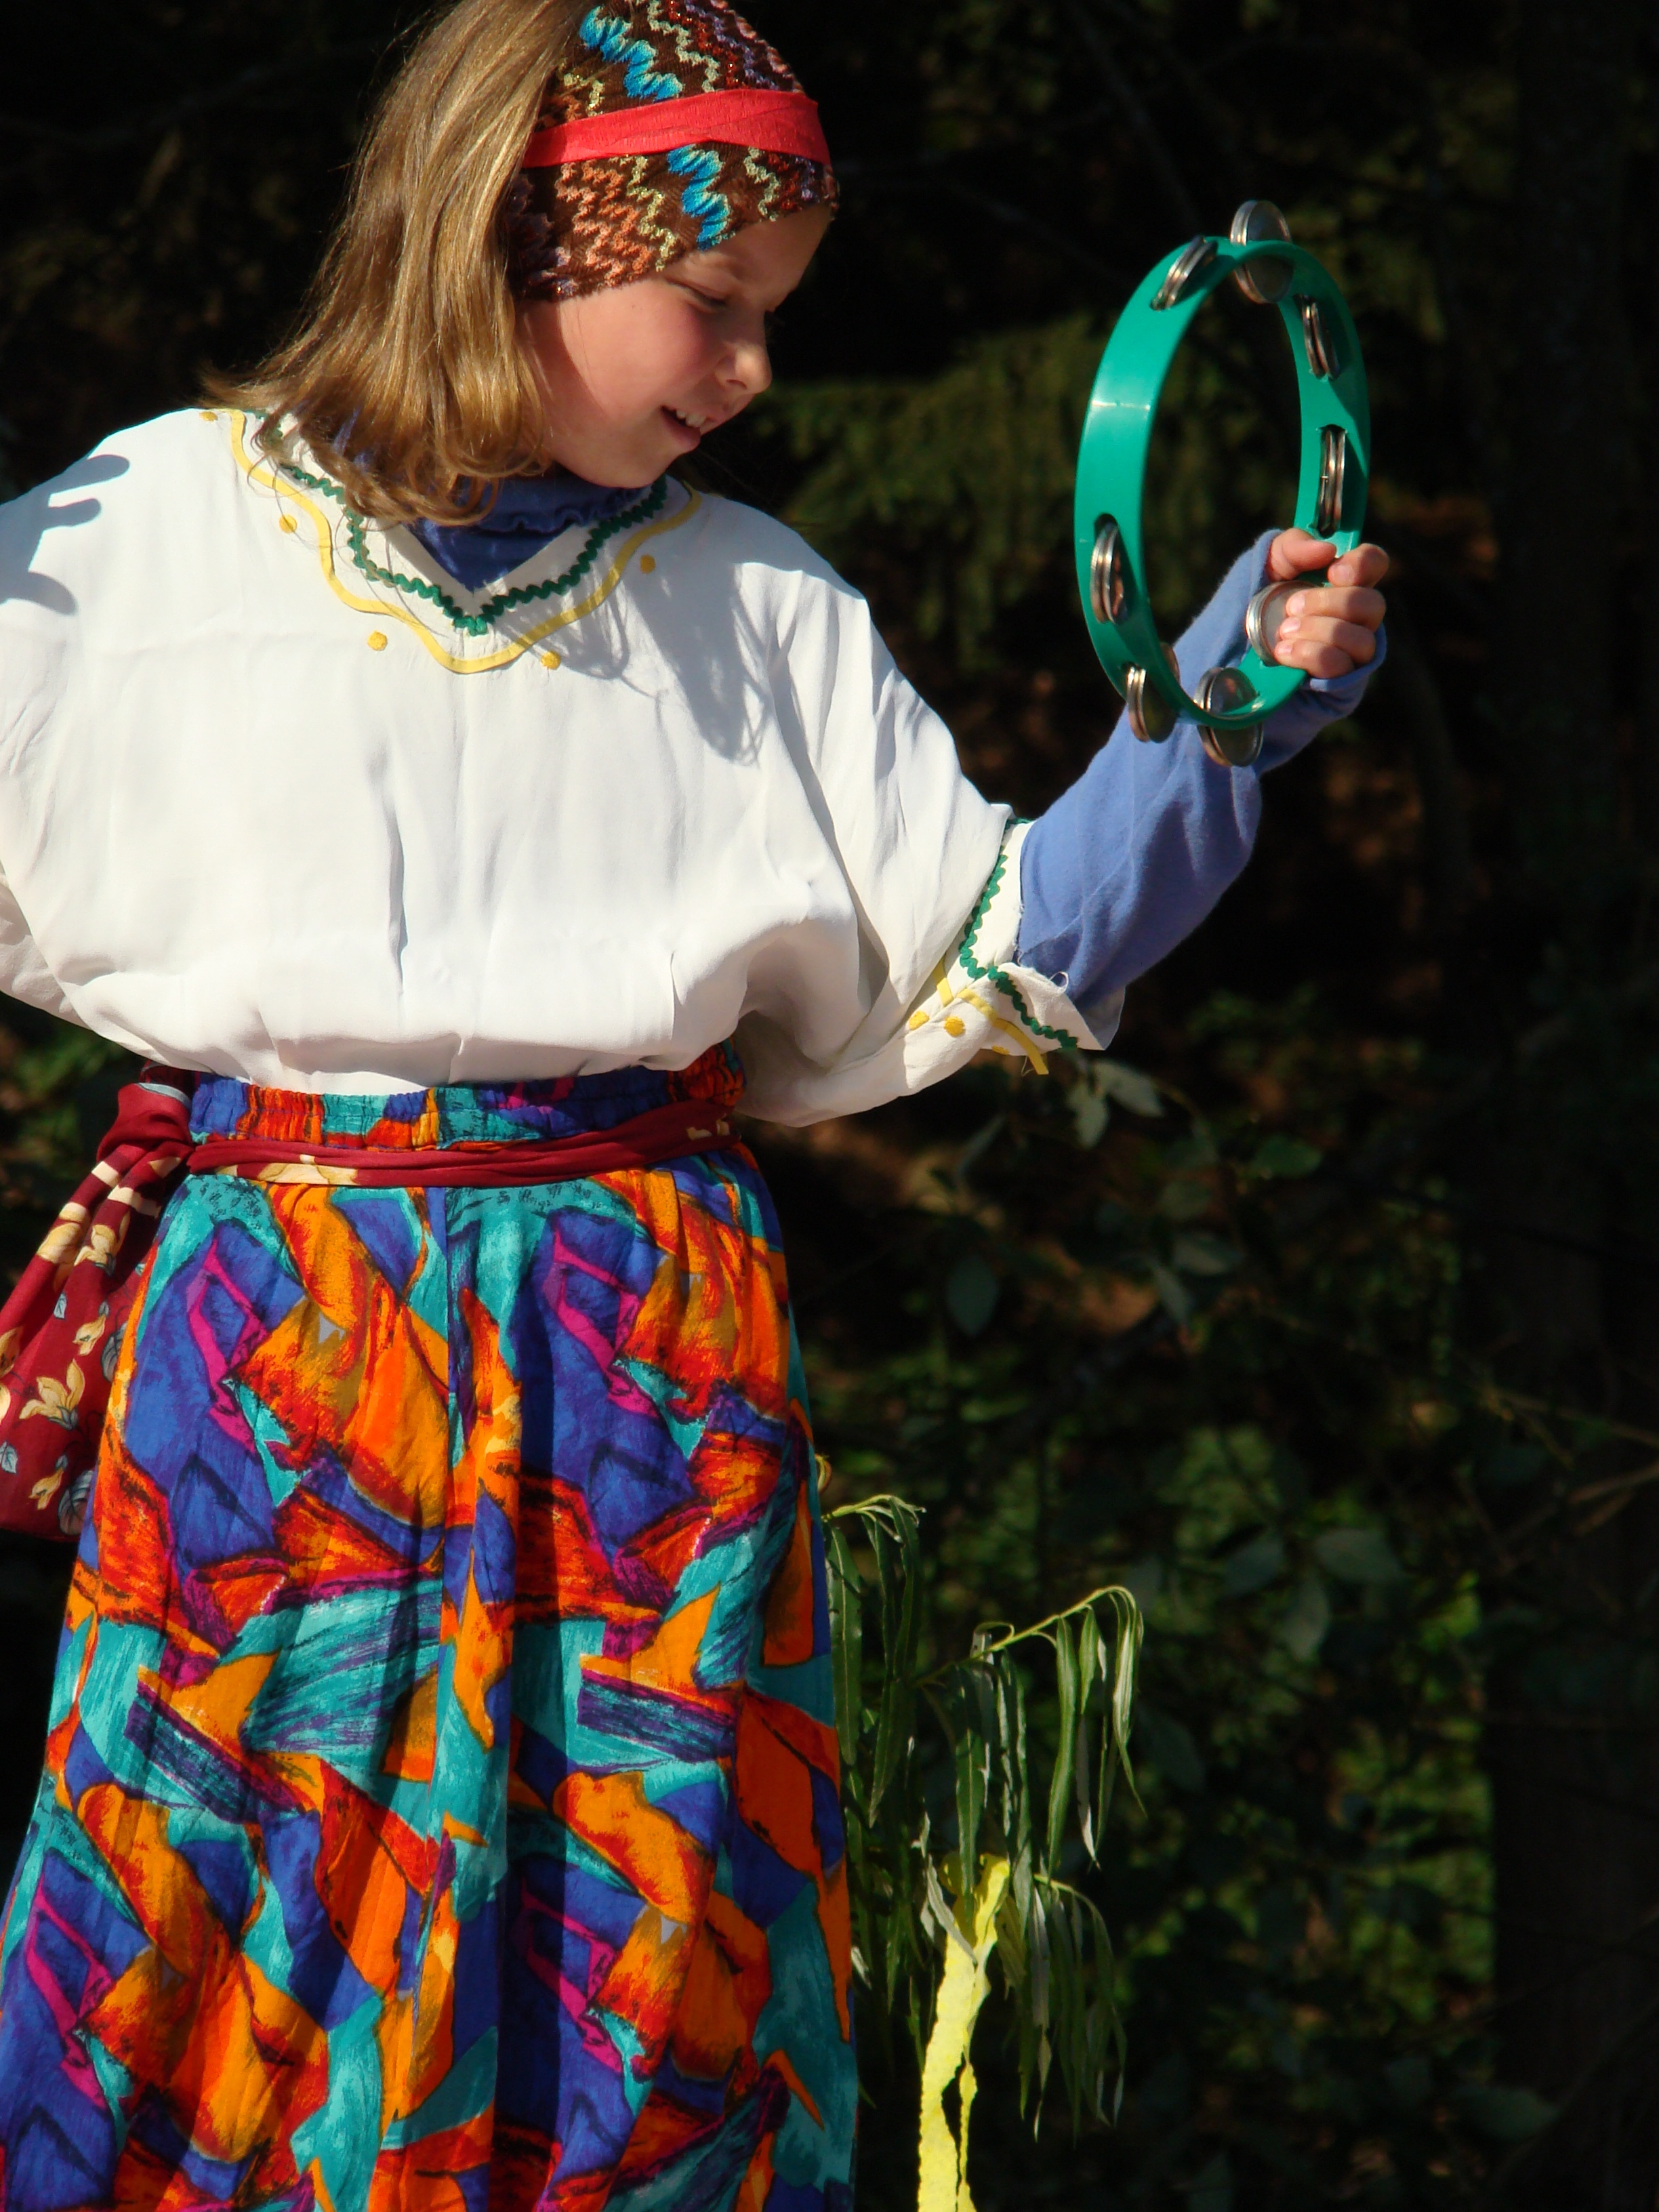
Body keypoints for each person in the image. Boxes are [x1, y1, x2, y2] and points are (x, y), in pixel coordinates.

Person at [0, 2, 1387, 2207]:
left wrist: (1214, 715)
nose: (750, 371)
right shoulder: (144, 542)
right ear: (510, 239)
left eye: (775, 318)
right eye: (715, 302)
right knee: (216, 1937)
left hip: (641, 1368)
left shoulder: (755, 609)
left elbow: (988, 942)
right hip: (283, 1368)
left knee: (644, 1968)